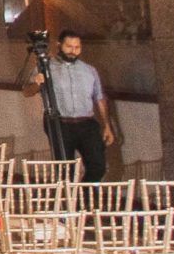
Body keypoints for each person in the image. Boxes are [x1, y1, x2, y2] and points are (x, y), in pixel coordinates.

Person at [21, 29, 119, 180]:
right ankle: (69, 193)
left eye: (77, 47)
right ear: (59, 45)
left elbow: (99, 97)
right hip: (60, 122)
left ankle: (84, 193)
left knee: (98, 166)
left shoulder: (89, 70)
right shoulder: (46, 67)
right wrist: (37, 83)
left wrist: (107, 125)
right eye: (69, 47)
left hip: (86, 122)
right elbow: (27, 92)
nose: (73, 51)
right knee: (65, 170)